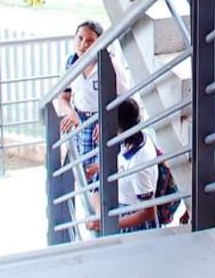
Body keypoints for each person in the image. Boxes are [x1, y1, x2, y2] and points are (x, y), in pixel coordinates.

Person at [52, 20, 127, 169]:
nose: (83, 44)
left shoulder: (110, 66)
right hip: (81, 122)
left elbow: (125, 100)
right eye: (80, 38)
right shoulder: (70, 63)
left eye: (90, 40)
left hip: (104, 121)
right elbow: (63, 96)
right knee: (85, 170)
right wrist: (70, 113)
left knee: (104, 170)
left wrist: (108, 121)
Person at [86, 97, 159, 234]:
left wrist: (108, 224)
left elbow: (148, 212)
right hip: (121, 210)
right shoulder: (135, 138)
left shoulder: (138, 165)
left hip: (132, 225)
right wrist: (97, 167)